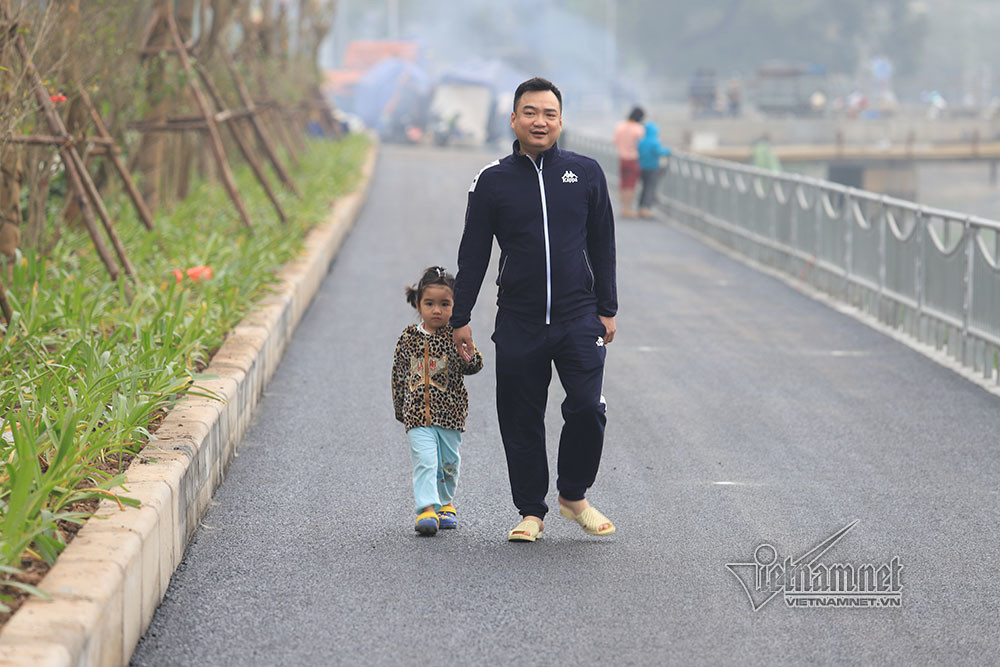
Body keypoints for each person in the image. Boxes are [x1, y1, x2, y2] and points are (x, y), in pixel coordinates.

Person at [450, 77, 618, 542]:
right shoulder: (492, 180)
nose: (539, 121)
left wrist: (608, 307)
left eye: (548, 114)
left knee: (587, 407)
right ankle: (531, 511)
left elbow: (603, 243)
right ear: (513, 119)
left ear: (561, 121)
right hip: (519, 319)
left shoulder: (586, 173)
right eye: (530, 112)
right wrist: (460, 316)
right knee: (520, 417)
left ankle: (573, 495)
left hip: (579, 315)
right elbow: (474, 252)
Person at [392, 266, 483, 535]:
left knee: (448, 464)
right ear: (418, 304)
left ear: (455, 306)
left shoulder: (456, 335)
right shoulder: (408, 338)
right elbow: (398, 375)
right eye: (429, 303)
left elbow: (475, 365)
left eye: (445, 304)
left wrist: (468, 355)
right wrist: (402, 409)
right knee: (425, 461)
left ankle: (446, 504)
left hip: (451, 415)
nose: (437, 310)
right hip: (418, 415)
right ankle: (426, 509)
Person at [612, 105, 646, 217]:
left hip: (622, 158)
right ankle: (628, 209)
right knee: (631, 185)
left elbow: (615, 141)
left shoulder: (620, 126)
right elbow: (641, 145)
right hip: (633, 159)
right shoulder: (639, 129)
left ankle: (623, 208)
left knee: (623, 184)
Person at [636, 121, 671, 218]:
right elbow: (659, 152)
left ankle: (640, 207)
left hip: (642, 168)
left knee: (644, 188)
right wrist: (669, 151)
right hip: (652, 168)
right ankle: (646, 208)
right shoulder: (655, 142)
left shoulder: (641, 141)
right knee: (650, 189)